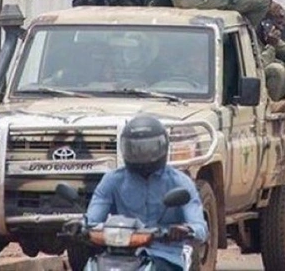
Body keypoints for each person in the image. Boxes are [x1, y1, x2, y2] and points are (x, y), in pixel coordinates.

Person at [86, 114, 207, 271]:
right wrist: (80, 226)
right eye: (134, 148)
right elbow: (92, 221)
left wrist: (185, 230)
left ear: (162, 147)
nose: (141, 154)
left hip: (165, 254)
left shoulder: (179, 182)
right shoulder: (112, 180)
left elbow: (200, 228)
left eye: (149, 148)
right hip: (118, 254)